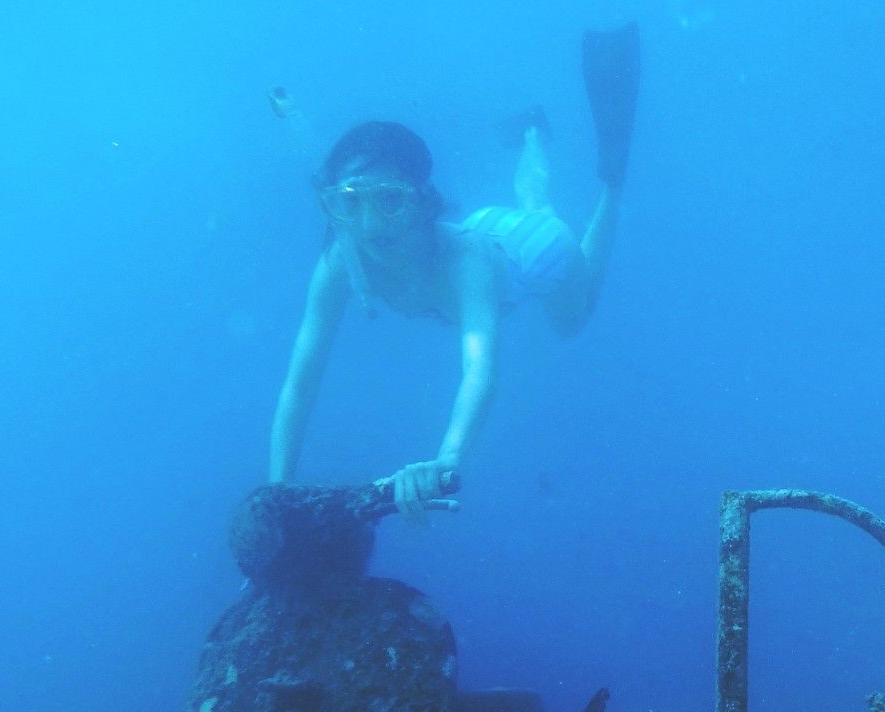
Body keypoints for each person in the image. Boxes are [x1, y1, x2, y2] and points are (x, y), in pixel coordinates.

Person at [268, 25, 640, 517]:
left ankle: (612, 180)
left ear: (423, 202)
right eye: (350, 203)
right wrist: (276, 497)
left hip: (535, 253)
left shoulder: (466, 265)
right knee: (533, 206)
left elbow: (480, 368)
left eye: (390, 200)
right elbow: (301, 383)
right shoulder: (343, 258)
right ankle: (532, 134)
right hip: (487, 229)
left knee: (572, 316)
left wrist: (446, 460)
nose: (370, 224)